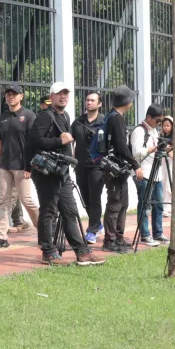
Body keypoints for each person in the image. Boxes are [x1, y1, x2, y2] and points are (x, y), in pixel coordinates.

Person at [26, 83, 105, 266]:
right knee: (49, 211)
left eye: (65, 94)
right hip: (47, 172)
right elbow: (33, 142)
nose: (63, 97)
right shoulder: (44, 116)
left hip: (61, 172)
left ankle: (82, 252)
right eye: (59, 94)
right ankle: (48, 252)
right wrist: (58, 141)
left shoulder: (65, 116)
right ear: (51, 97)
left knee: (70, 211)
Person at [0, 83, 40, 249]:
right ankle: (1, 236)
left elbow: (33, 143)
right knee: (3, 202)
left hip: (22, 167)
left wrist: (29, 166)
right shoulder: (2, 118)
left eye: (14, 94)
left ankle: (44, 229)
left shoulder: (29, 116)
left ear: (21, 97)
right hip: (5, 166)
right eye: (8, 95)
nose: (11, 97)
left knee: (27, 200)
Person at [101, 88, 138, 253]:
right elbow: (121, 146)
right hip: (114, 168)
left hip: (119, 168)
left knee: (123, 203)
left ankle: (118, 237)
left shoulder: (114, 116)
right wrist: (135, 165)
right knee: (115, 204)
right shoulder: (115, 118)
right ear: (127, 102)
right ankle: (110, 240)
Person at [71, 91, 107, 243]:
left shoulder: (105, 122)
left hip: (97, 166)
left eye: (92, 100)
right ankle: (97, 224)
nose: (89, 102)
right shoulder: (77, 122)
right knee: (85, 198)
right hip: (80, 166)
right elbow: (71, 141)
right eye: (87, 100)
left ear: (99, 104)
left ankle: (92, 230)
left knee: (94, 197)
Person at [130, 104, 166, 246]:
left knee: (159, 204)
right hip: (143, 172)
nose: (159, 124)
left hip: (156, 173)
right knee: (145, 205)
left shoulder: (154, 131)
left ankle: (158, 233)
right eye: (157, 121)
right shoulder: (139, 131)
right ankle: (145, 235)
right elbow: (135, 152)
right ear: (149, 117)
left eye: (161, 121)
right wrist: (151, 149)